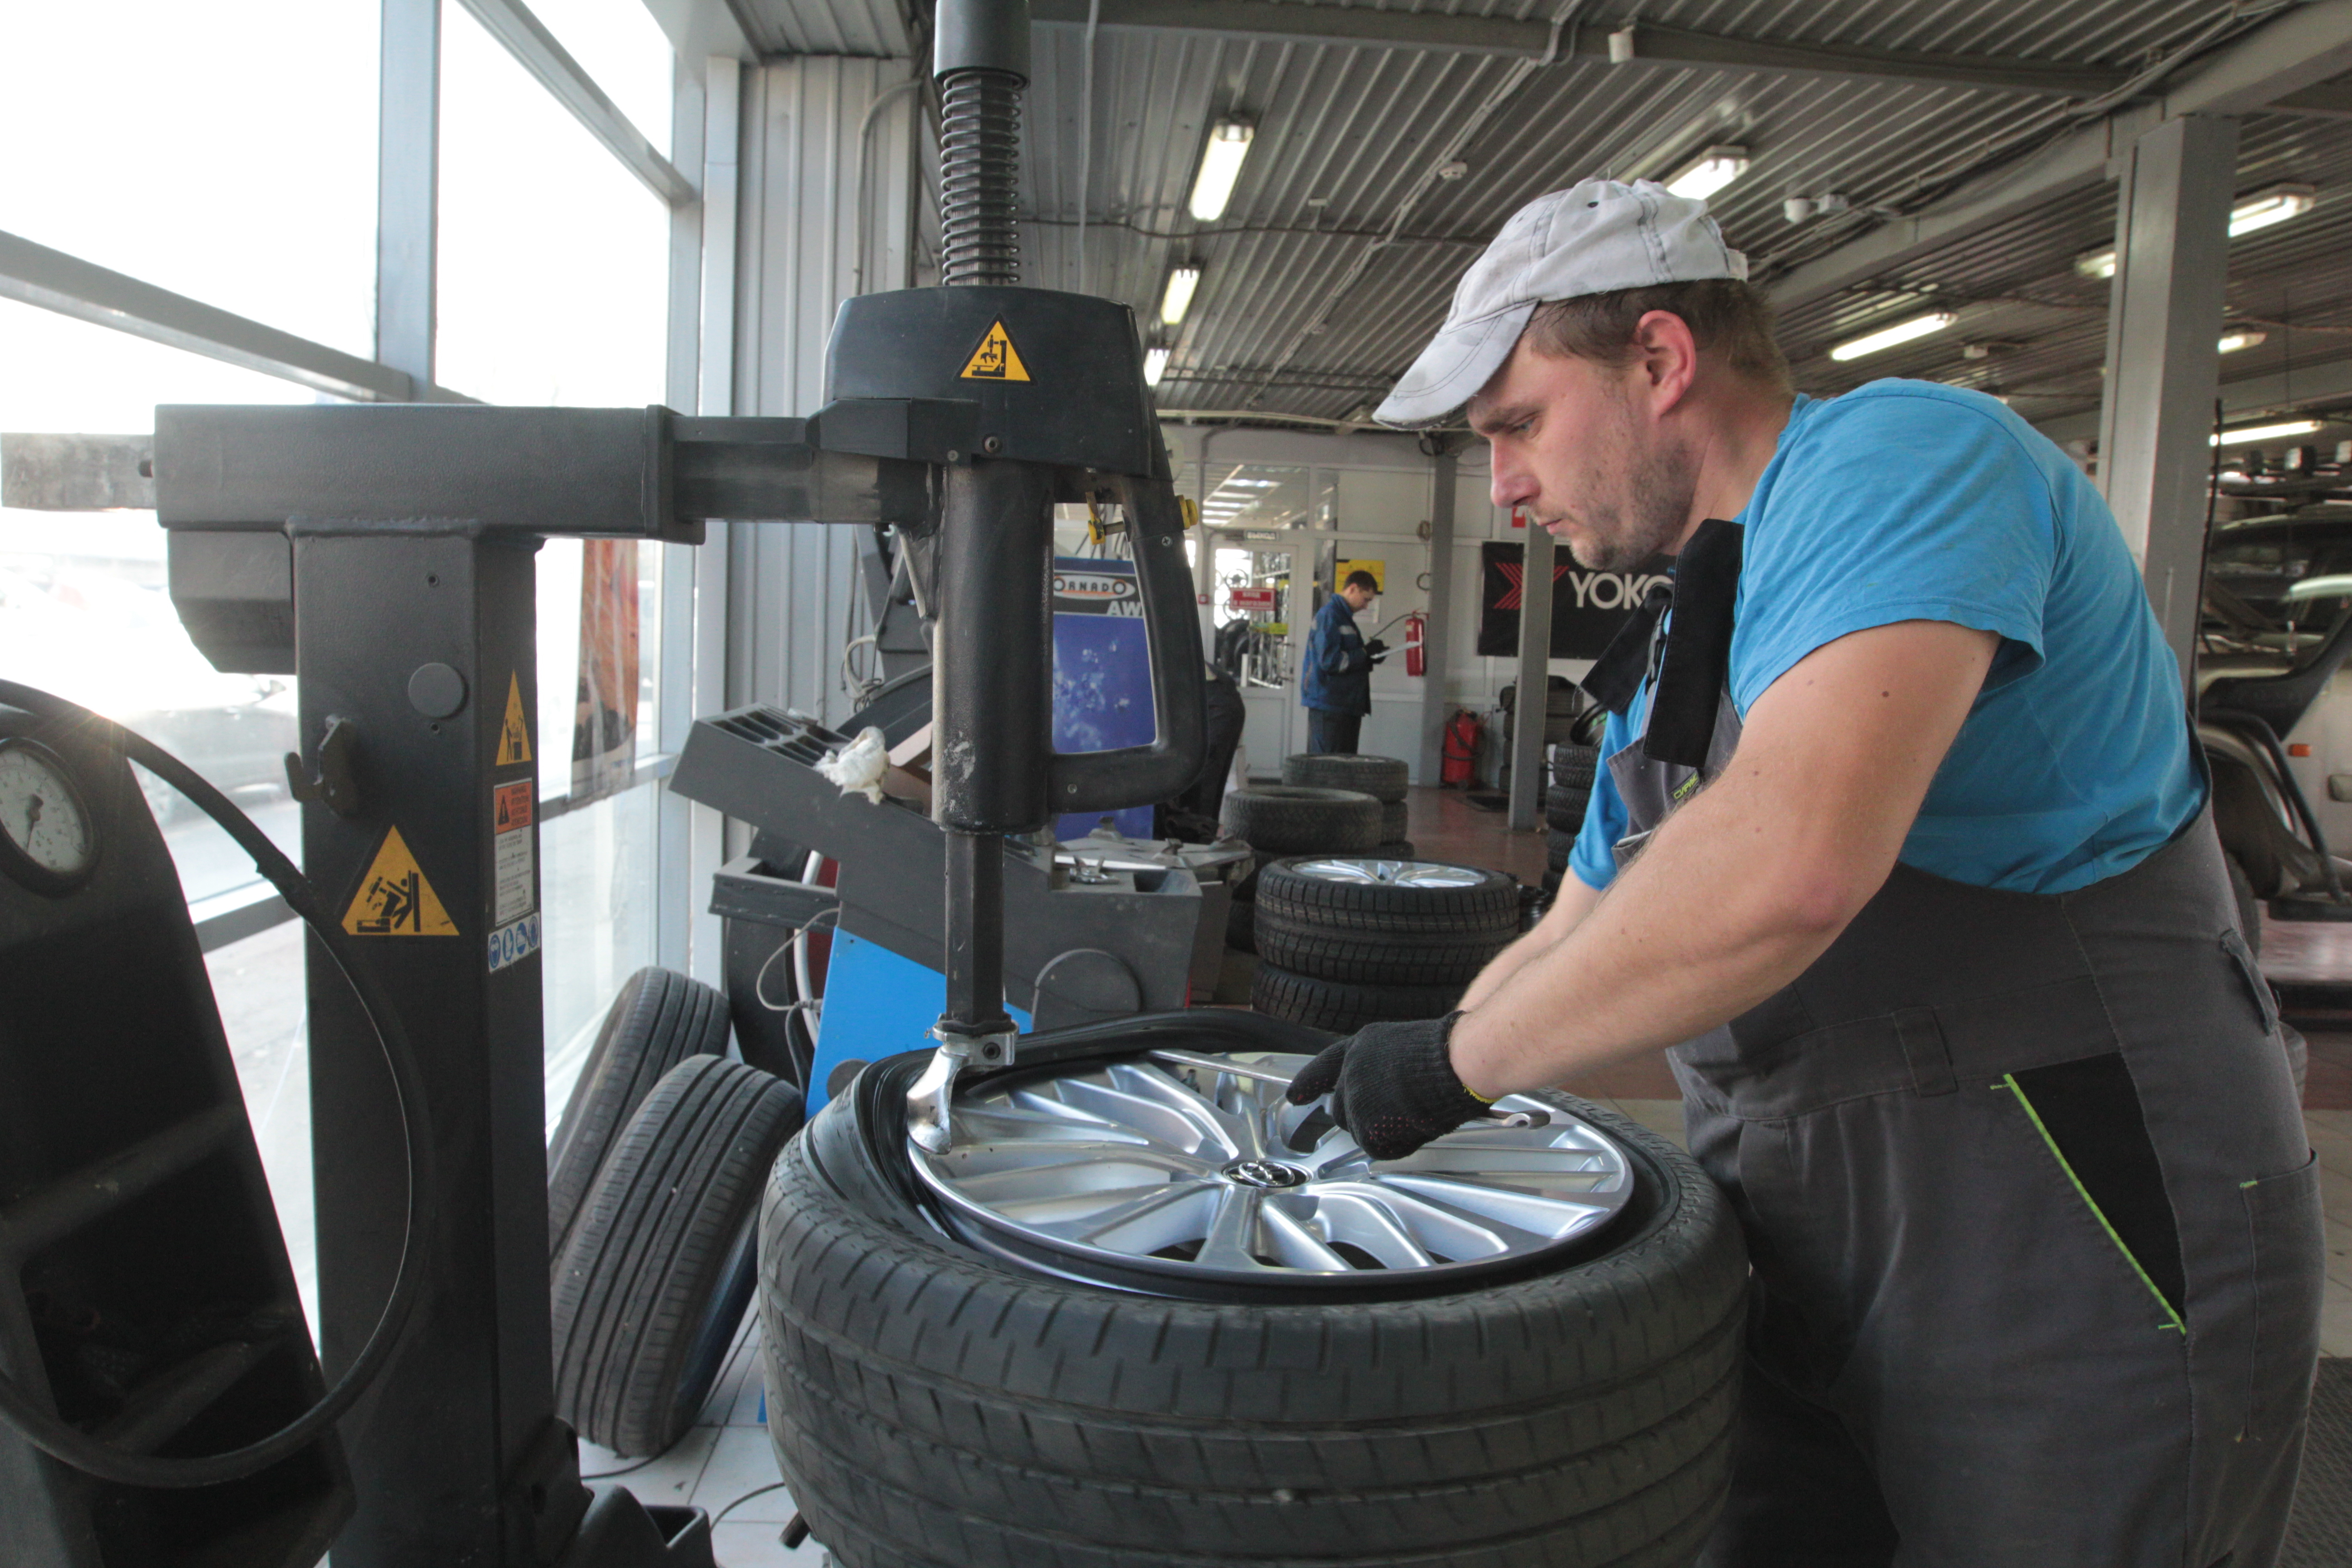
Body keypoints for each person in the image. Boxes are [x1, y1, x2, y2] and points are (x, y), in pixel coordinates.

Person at [1284, 178, 2322, 1566]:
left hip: (2069, 1225)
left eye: (1518, 425)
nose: (1508, 486)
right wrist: (1392, 1065)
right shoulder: (1678, 651)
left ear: (1661, 359)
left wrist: (1457, 1064)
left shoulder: (1904, 456)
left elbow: (1791, 863)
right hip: (1799, 1231)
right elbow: (1582, 927)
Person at [1302, 570, 1386, 753]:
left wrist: (1371, 658)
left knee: (1344, 768)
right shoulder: (1330, 616)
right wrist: (1364, 653)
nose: (1366, 606)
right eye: (1366, 600)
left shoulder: (1343, 618)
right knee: (1329, 768)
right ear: (1353, 589)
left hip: (1345, 705)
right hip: (1330, 705)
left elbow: (1349, 657)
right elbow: (1330, 662)